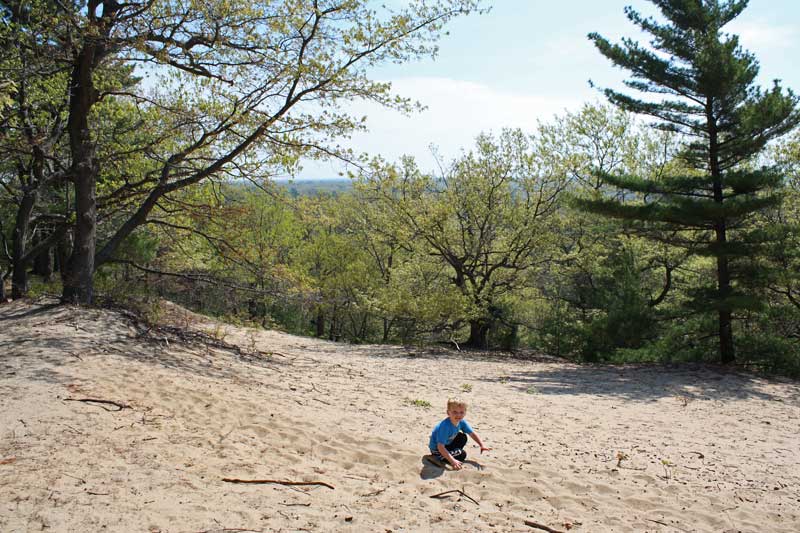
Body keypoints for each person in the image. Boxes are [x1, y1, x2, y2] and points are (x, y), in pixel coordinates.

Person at [428, 398, 491, 470]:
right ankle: (437, 457)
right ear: (448, 413)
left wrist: (481, 445)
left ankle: (452, 453)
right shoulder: (445, 427)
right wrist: (453, 461)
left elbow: (472, 433)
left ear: (465, 412)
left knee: (462, 437)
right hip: (437, 450)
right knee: (462, 454)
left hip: (447, 444)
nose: (458, 415)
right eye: (455, 412)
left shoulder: (461, 422)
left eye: (461, 412)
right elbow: (440, 447)